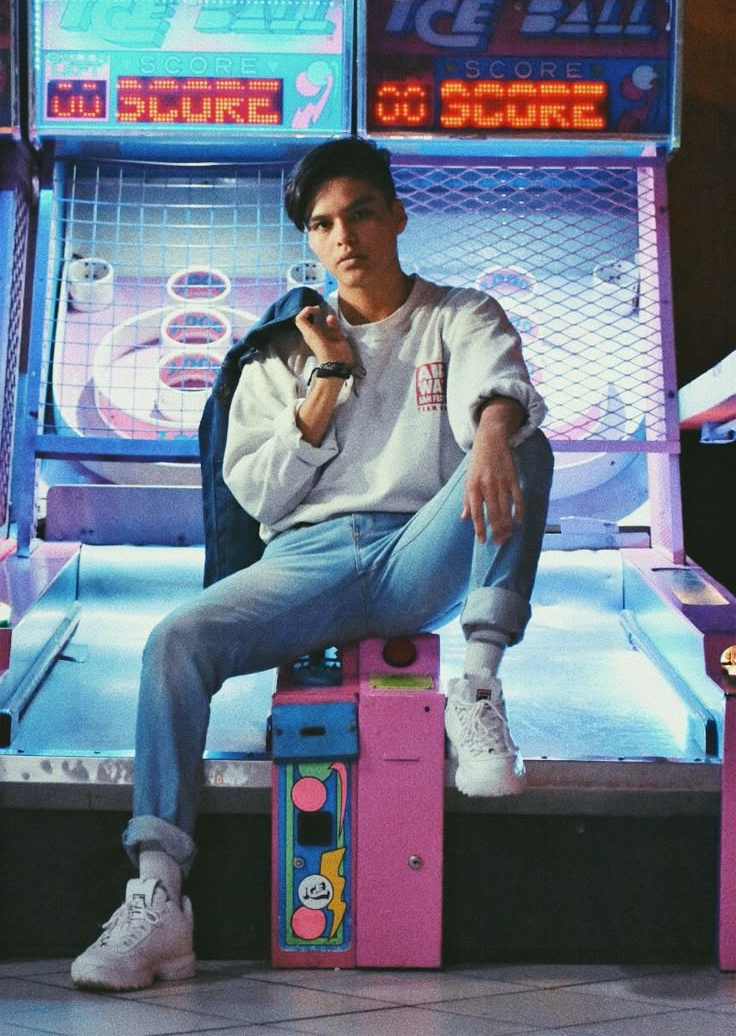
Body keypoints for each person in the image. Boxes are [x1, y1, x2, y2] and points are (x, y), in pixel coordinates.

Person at [71, 136, 553, 991]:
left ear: (396, 216)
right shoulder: (276, 351)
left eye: (360, 212)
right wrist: (326, 379)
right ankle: (157, 896)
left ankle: (476, 684)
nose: (344, 236)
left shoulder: (457, 314)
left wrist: (486, 431)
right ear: (312, 241)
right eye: (324, 223)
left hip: (417, 550)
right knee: (174, 643)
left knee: (521, 441)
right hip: (307, 560)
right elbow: (261, 497)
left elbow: (503, 384)